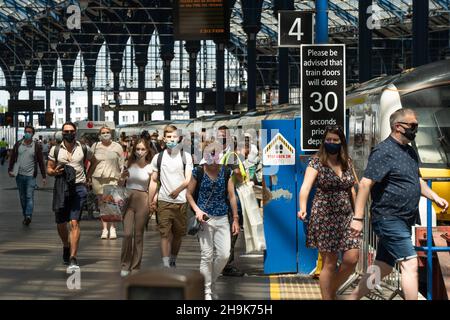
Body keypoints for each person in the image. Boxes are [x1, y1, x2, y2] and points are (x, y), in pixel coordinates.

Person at [348, 108, 449, 300]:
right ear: (397, 127)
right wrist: (358, 218)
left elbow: (416, 181)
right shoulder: (383, 151)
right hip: (388, 218)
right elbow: (365, 183)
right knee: (410, 263)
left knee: (383, 267)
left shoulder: (410, 151)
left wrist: (434, 196)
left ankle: (352, 298)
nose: (416, 129)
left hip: (404, 219)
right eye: (412, 125)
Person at [297, 125, 361, 300]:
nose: (331, 143)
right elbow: (305, 187)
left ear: (342, 142)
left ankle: (330, 291)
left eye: (335, 140)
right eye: (328, 140)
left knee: (352, 259)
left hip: (347, 217)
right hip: (325, 217)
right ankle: (328, 298)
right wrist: (302, 207)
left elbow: (352, 189)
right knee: (330, 263)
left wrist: (358, 216)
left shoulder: (347, 162)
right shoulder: (316, 162)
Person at [186, 140, 240, 300]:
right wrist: (197, 210)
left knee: (224, 254)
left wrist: (235, 219)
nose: (214, 156)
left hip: (223, 217)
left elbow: (232, 196)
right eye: (211, 153)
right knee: (207, 255)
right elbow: (189, 194)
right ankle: (206, 291)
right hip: (205, 219)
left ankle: (209, 282)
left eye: (216, 152)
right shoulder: (198, 171)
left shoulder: (226, 172)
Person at [47, 122, 93, 269]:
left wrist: (88, 176)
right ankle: (66, 245)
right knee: (61, 223)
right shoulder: (55, 149)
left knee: (74, 223)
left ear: (76, 132)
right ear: (62, 133)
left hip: (79, 187)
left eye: (71, 131)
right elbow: (49, 167)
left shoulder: (84, 148)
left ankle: (73, 257)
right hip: (61, 187)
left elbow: (95, 161)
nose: (69, 133)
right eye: (66, 131)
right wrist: (53, 172)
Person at [148, 125, 193, 268]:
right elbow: (154, 180)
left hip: (181, 201)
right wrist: (151, 200)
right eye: (168, 137)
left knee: (178, 234)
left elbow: (188, 179)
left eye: (174, 137)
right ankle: (166, 262)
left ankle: (173, 257)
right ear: (164, 138)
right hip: (163, 202)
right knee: (164, 234)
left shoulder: (185, 157)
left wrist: (177, 190)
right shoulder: (158, 158)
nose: (171, 139)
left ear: (179, 138)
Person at [119, 138, 155, 277]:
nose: (140, 152)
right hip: (128, 199)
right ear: (134, 150)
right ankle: (125, 265)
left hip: (143, 201)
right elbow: (120, 184)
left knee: (138, 235)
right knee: (127, 234)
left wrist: (151, 202)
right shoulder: (128, 164)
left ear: (147, 151)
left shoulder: (150, 167)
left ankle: (135, 267)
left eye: (143, 149)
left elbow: (152, 185)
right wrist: (122, 177)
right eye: (138, 149)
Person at [215, 126, 246, 277]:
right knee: (232, 230)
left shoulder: (210, 154)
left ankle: (220, 261)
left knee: (219, 230)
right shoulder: (231, 156)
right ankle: (226, 264)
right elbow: (238, 175)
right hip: (228, 198)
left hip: (215, 198)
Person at [87, 126, 123, 240]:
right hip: (98, 177)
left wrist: (122, 177)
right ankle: (104, 228)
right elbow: (90, 162)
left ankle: (112, 228)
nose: (106, 134)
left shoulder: (117, 146)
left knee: (111, 204)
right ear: (99, 135)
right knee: (102, 204)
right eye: (103, 132)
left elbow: (122, 163)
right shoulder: (95, 146)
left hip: (113, 177)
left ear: (111, 134)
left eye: (108, 132)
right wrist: (88, 176)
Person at [8, 126, 47, 226]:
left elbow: (41, 162)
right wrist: (10, 170)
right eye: (26, 132)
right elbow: (13, 158)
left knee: (29, 196)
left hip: (31, 176)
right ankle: (25, 215)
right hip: (19, 175)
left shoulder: (36, 146)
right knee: (22, 197)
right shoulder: (18, 144)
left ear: (33, 134)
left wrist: (43, 176)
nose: (27, 133)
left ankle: (28, 215)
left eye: (29, 132)